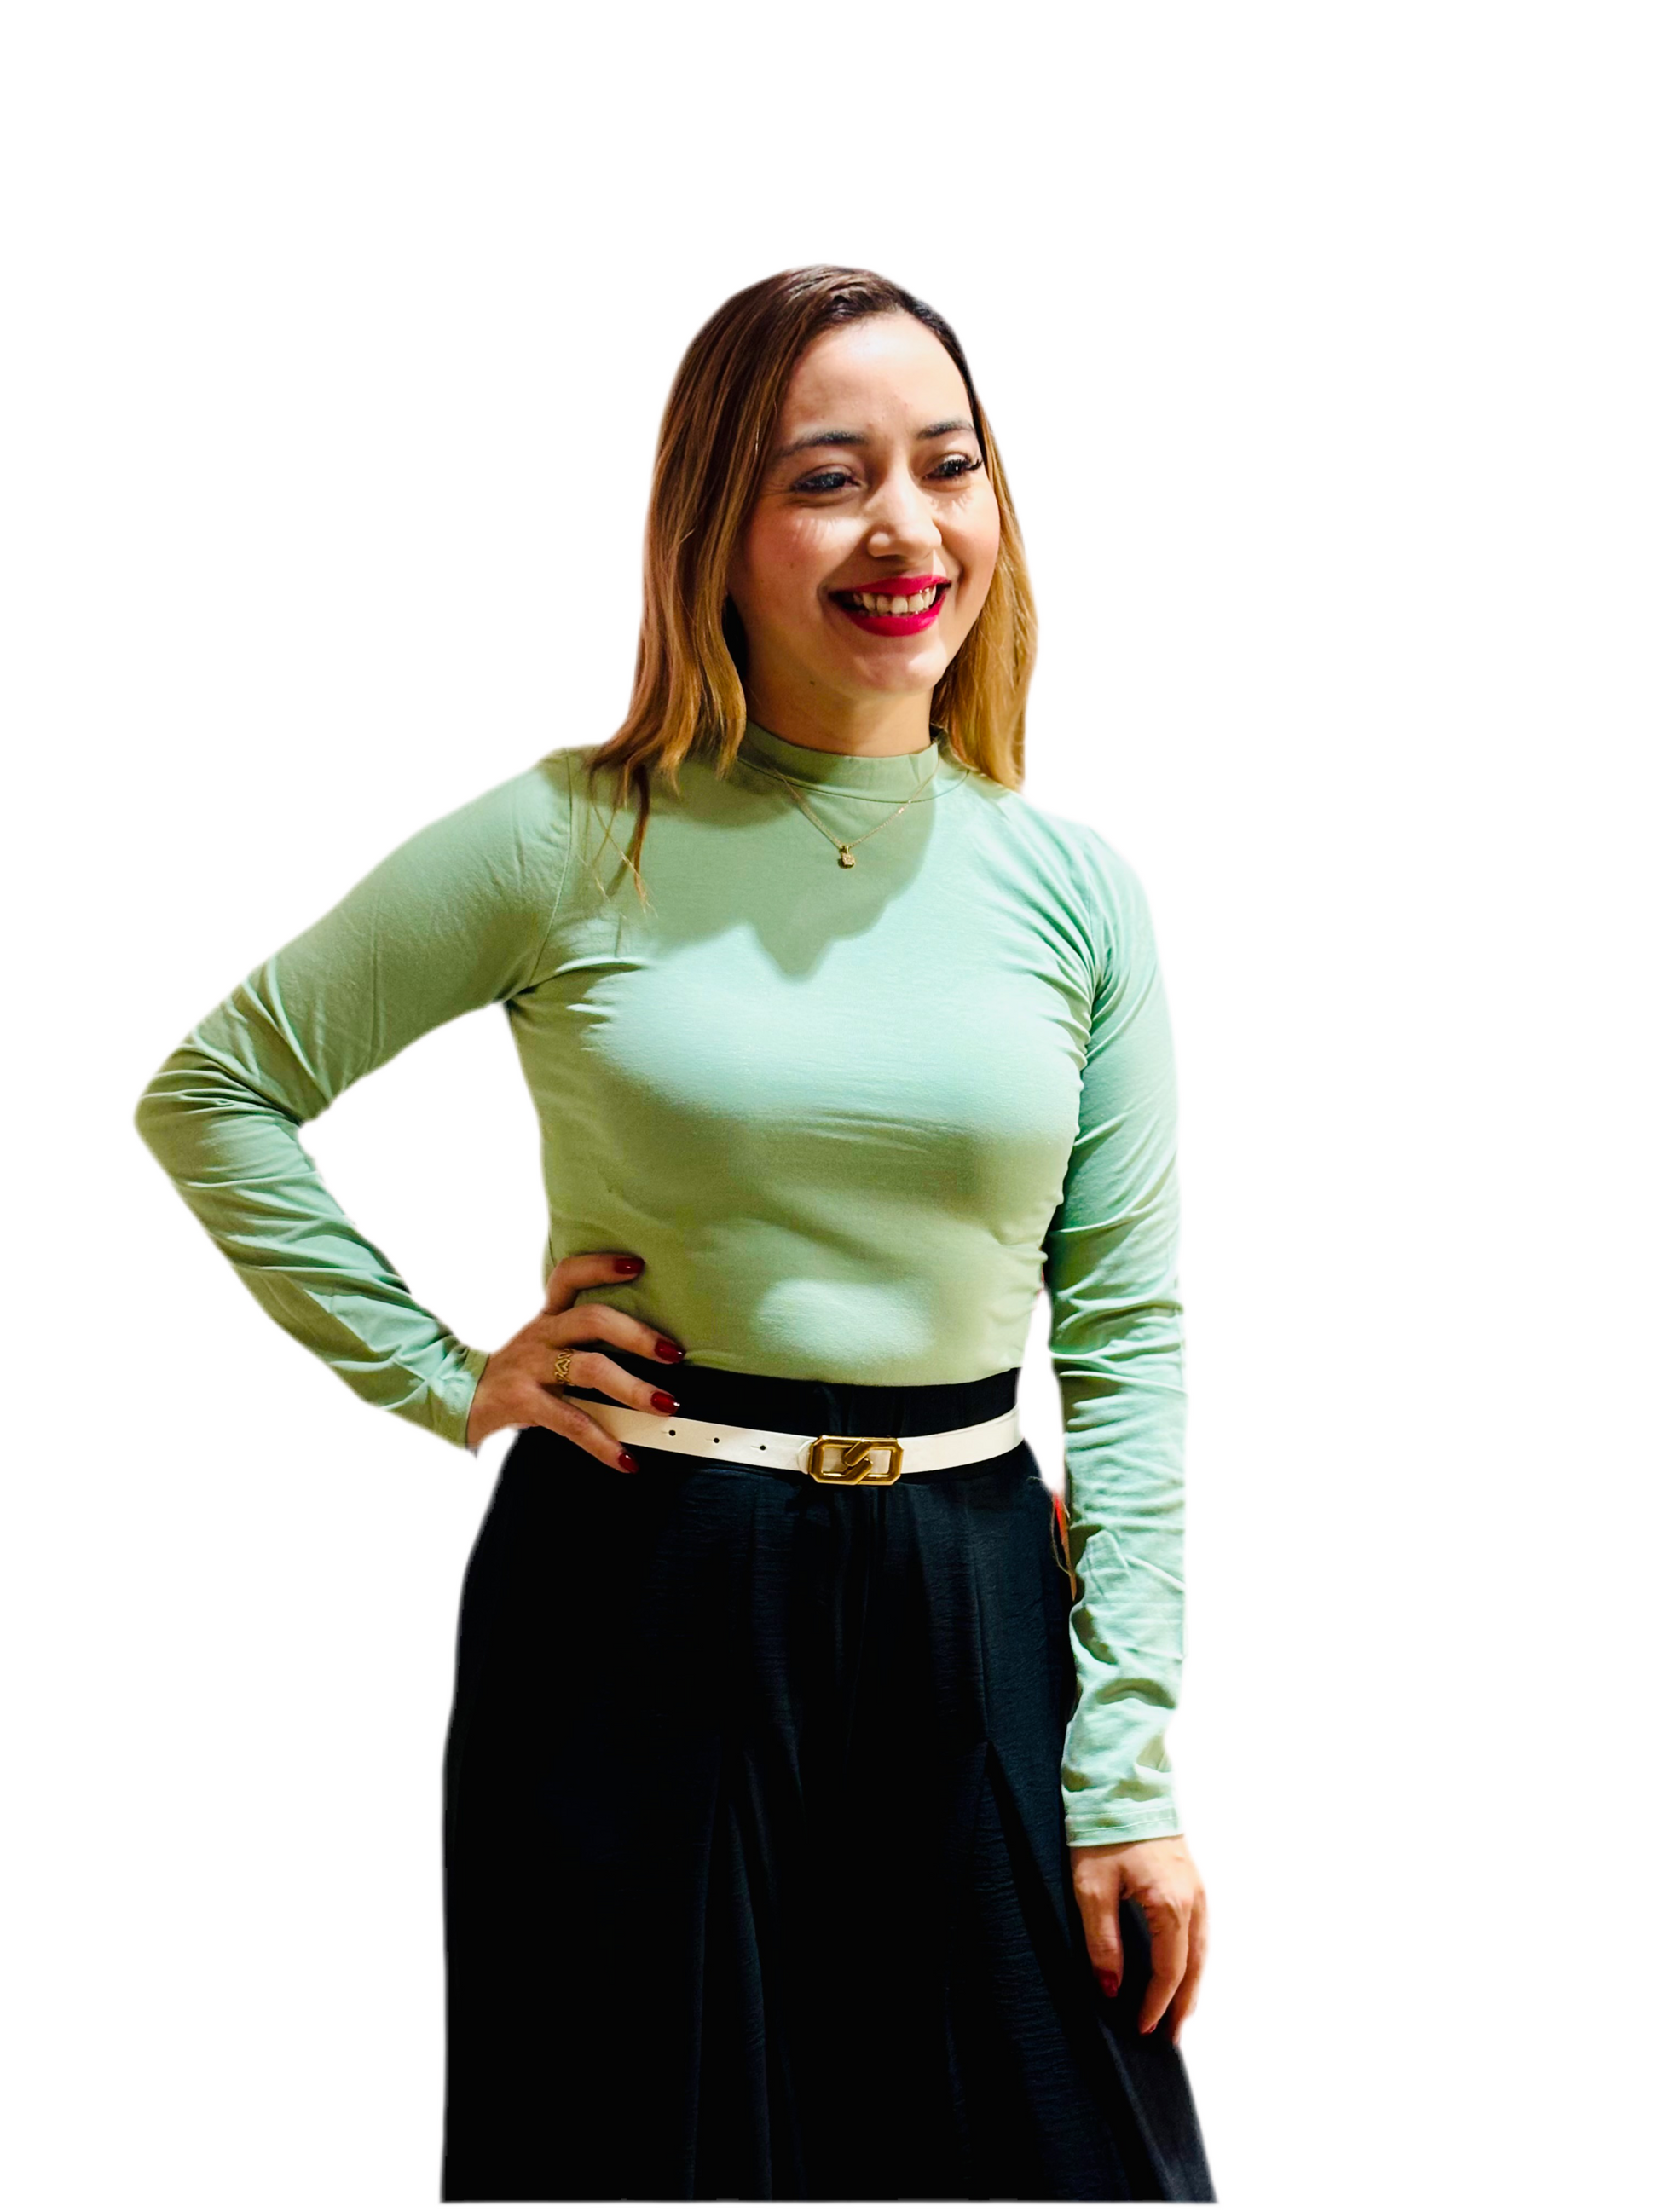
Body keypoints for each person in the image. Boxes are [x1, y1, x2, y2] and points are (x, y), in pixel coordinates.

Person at [134, 263, 1216, 2203]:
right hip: (638, 1575)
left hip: (975, 1586)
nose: (906, 528)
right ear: (712, 524)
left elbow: (1124, 1336)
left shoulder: (1073, 890)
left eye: (947, 464)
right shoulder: (569, 834)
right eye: (828, 477)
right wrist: (441, 1373)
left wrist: (1122, 1764)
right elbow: (215, 1091)